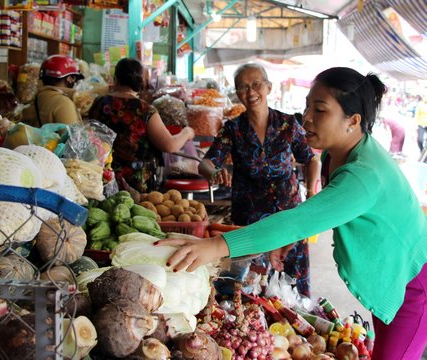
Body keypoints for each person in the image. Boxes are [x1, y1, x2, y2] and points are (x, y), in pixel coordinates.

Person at [157, 67, 427, 360]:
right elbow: (324, 210)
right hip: (393, 278)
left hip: (413, 286)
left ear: (353, 120)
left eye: (320, 109)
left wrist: (217, 246)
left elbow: (298, 220)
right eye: (308, 105)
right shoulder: (336, 152)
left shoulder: (363, 175)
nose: (307, 116)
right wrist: (286, 237)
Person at [197, 63, 321, 297]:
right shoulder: (233, 129)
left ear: (268, 87)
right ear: (237, 93)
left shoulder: (287, 124)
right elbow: (206, 162)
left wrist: (312, 193)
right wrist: (213, 172)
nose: (250, 92)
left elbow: (311, 160)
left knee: (294, 284)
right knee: (251, 285)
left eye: (256, 84)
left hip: (289, 215)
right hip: (249, 220)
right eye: (243, 87)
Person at [88, 58, 195, 193]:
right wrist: (187, 133)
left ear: (115, 78)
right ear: (141, 81)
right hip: (135, 182)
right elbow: (170, 145)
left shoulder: (99, 103)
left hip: (101, 176)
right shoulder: (145, 110)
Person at [23, 54, 83, 126]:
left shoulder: (38, 97)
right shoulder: (64, 103)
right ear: (69, 79)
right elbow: (72, 136)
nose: (75, 82)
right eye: (74, 78)